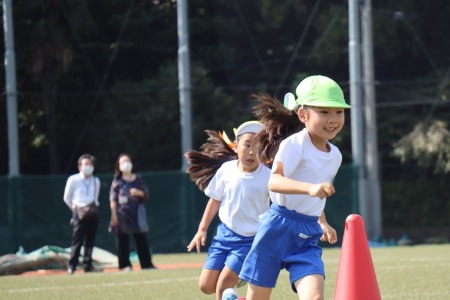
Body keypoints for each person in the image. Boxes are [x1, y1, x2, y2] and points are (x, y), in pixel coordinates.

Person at [239, 75, 352, 300]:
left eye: (339, 112)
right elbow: (275, 181)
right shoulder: (295, 144)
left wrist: (323, 221)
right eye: (324, 111)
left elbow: (316, 196)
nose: (333, 119)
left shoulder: (335, 155)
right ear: (303, 114)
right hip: (276, 227)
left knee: (315, 297)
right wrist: (310, 188)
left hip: (306, 233)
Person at [185, 121, 271, 300]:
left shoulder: (269, 176)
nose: (251, 152)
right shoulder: (226, 170)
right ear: (236, 146)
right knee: (206, 286)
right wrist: (202, 230)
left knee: (223, 285)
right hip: (224, 236)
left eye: (257, 146)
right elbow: (214, 200)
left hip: (250, 241)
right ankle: (240, 279)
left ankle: (236, 279)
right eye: (247, 144)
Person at [109, 153, 156, 271]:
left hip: (137, 214)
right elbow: (113, 199)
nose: (126, 164)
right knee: (122, 241)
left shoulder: (138, 179)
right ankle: (125, 265)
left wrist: (139, 193)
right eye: (123, 162)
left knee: (141, 240)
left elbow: (145, 194)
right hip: (122, 214)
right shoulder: (117, 182)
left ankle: (146, 264)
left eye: (128, 161)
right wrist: (114, 215)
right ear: (119, 166)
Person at [63, 153, 101, 274]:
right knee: (77, 241)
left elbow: (95, 197)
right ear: (80, 166)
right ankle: (72, 266)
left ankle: (87, 265)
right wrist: (74, 208)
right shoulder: (73, 179)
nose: (88, 166)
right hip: (79, 213)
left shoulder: (96, 180)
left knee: (90, 241)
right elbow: (66, 197)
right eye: (86, 164)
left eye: (90, 164)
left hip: (92, 214)